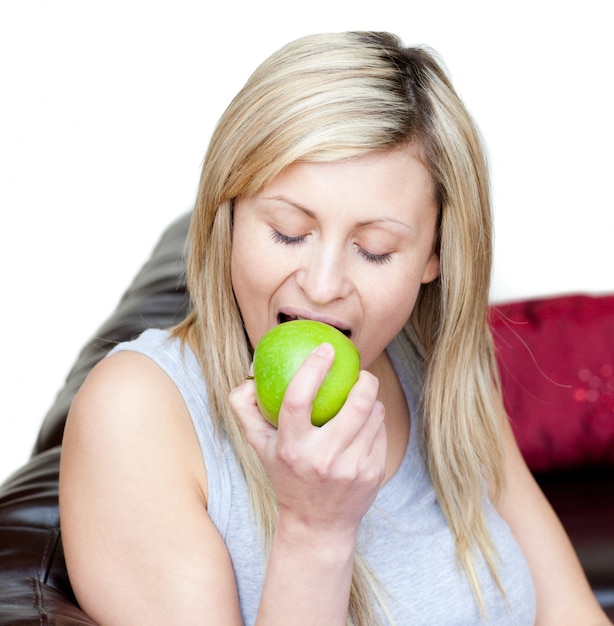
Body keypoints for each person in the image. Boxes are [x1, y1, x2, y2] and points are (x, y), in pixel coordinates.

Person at [59, 31, 611, 625]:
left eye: (374, 250)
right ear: (230, 215)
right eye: (289, 232)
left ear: (436, 256)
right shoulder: (138, 413)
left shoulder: (436, 368)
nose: (322, 286)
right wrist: (315, 528)